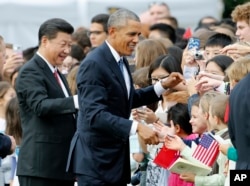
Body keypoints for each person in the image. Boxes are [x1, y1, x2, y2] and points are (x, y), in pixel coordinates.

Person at [66, 8, 183, 186]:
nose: (136, 40)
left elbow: (125, 99)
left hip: (112, 161)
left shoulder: (119, 60)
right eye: (131, 34)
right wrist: (136, 127)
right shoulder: (94, 64)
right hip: (96, 163)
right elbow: (95, 114)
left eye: (138, 34)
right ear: (112, 31)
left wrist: (162, 86)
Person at [15, 18, 78, 186]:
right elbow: (40, 106)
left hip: (61, 167)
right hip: (40, 167)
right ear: (44, 41)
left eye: (70, 46)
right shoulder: (31, 71)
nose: (67, 50)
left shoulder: (57, 74)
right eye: (63, 44)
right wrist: (77, 101)